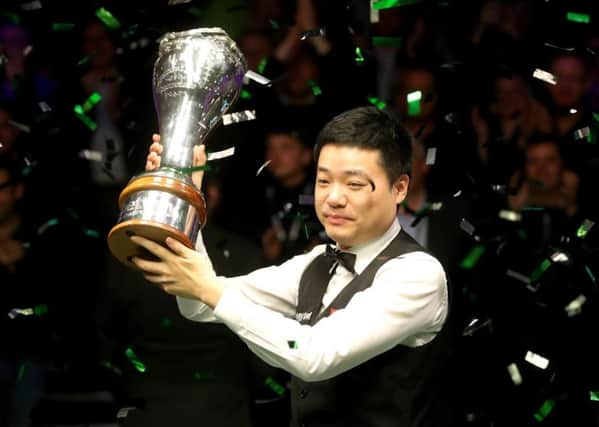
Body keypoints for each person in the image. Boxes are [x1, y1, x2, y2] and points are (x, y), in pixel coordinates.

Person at [131, 106, 453, 426]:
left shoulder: (417, 274)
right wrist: (184, 197)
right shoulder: (314, 264)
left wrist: (207, 287)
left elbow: (314, 356)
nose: (333, 198)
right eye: (323, 181)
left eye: (354, 184)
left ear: (399, 188)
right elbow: (200, 305)